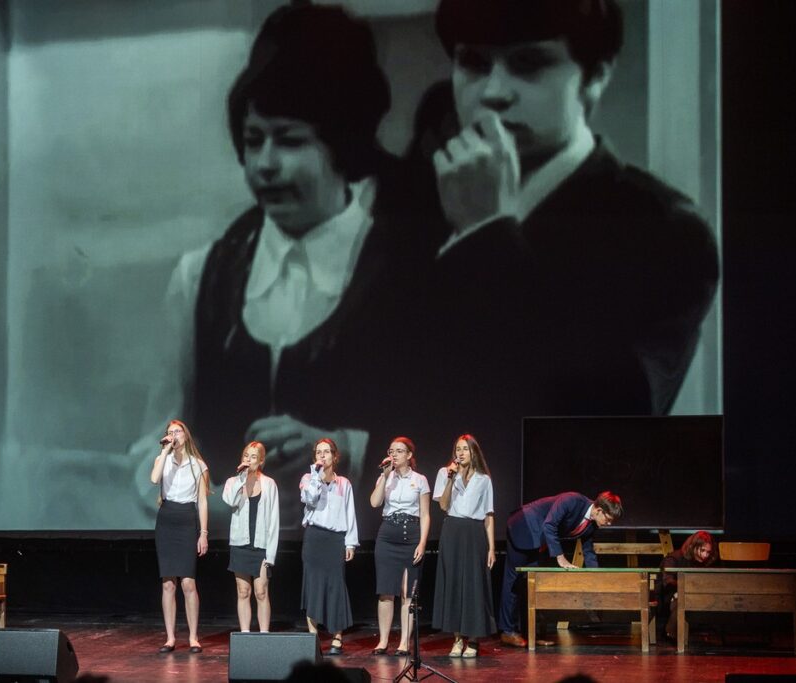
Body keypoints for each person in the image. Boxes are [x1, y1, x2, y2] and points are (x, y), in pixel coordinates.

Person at [407, 0, 721, 511]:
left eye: (529, 64)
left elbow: (616, 415)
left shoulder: (665, 231)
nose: (493, 93)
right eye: (473, 63)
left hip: (561, 539)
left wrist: (489, 233)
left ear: (596, 74)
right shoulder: (418, 207)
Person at [163, 2, 437, 539]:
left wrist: (347, 450)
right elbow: (157, 442)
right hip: (230, 568)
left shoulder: (414, 271)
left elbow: (451, 435)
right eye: (253, 139)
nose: (264, 163)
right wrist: (219, 509)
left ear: (341, 146)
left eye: (289, 141)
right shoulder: (201, 278)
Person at [498, 491, 623, 647]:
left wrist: (595, 577)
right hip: (523, 526)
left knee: (532, 586)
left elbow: (588, 551)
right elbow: (549, 525)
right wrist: (560, 557)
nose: (609, 524)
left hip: (538, 539)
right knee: (514, 581)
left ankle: (530, 634)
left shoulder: (590, 524)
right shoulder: (571, 500)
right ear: (599, 510)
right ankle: (507, 631)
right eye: (608, 519)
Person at [149, 419, 210, 653]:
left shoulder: (198, 465)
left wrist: (203, 533)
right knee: (168, 584)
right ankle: (170, 637)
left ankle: (194, 637)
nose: (174, 435)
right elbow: (154, 479)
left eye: (178, 431)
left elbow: (203, 502)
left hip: (187, 519)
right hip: (166, 519)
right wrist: (164, 451)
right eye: (170, 432)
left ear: (186, 435)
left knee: (188, 582)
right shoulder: (161, 460)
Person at [432, 434, 496, 658]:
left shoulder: (483, 479)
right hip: (453, 531)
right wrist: (451, 478)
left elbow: (488, 515)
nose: (460, 453)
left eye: (465, 449)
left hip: (474, 533)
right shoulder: (444, 473)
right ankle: (457, 638)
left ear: (473, 452)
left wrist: (491, 548)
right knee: (454, 583)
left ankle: (474, 639)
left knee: (474, 585)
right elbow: (443, 504)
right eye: (457, 449)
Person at [369, 437, 431, 656]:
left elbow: (424, 514)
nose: (394, 455)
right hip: (387, 535)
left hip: (411, 535)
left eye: (399, 451)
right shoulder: (386, 477)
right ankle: (383, 641)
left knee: (407, 593)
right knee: (386, 592)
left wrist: (422, 543)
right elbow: (375, 503)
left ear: (409, 455)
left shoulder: (420, 479)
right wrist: (384, 477)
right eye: (391, 451)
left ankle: (404, 642)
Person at [299, 438, 359, 656]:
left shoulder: (344, 483)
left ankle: (337, 636)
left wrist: (350, 541)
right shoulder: (308, 478)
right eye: (318, 452)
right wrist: (316, 477)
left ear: (335, 456)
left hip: (335, 540)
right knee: (313, 585)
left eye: (326, 452)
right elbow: (310, 500)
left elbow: (350, 514)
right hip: (314, 538)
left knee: (335, 586)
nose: (322, 456)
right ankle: (313, 636)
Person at [222, 441, 279, 633]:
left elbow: (274, 520)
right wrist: (241, 479)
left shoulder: (269, 484)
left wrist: (270, 555)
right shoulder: (233, 482)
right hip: (240, 544)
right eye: (246, 455)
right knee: (243, 591)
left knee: (261, 591)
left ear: (261, 461)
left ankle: (264, 634)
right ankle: (245, 635)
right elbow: (231, 501)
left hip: (262, 545)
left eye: (253, 456)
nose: (249, 459)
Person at [658, 530, 715, 641]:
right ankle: (670, 632)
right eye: (702, 550)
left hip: (695, 597)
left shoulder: (703, 562)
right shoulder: (674, 558)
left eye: (708, 552)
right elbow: (667, 581)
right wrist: (687, 587)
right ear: (692, 546)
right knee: (682, 599)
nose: (705, 555)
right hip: (669, 597)